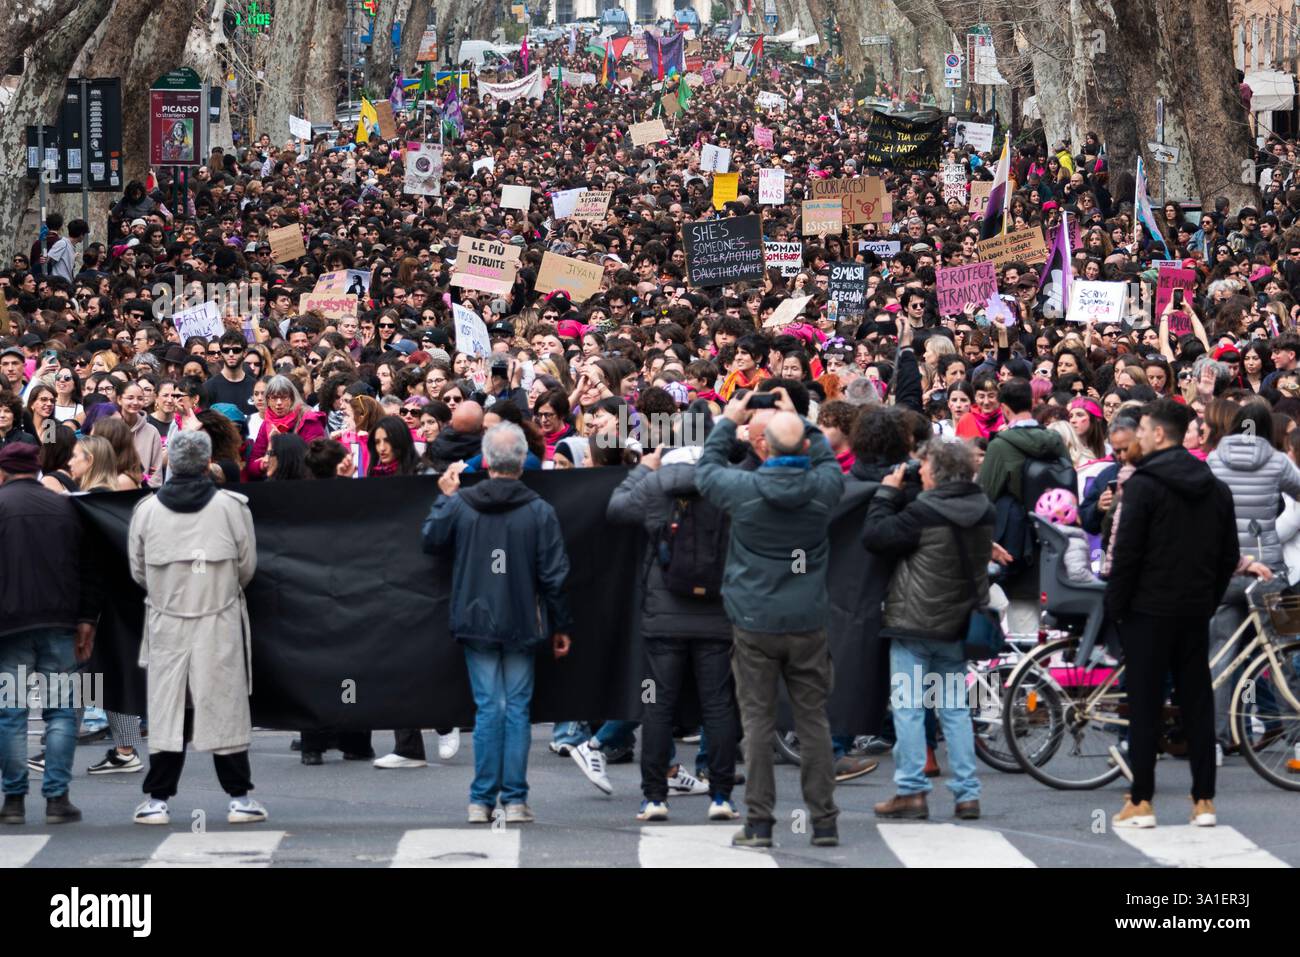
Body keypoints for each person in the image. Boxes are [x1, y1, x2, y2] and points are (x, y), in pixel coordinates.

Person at [696, 390, 846, 849]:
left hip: (754, 618)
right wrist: (798, 416)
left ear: (764, 447)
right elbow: (828, 459)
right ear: (802, 446)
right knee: (812, 721)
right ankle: (823, 820)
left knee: (757, 723)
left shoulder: (744, 491)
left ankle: (759, 822)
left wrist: (727, 420)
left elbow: (706, 471)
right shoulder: (823, 489)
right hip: (805, 619)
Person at [422, 423, 573, 824]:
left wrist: (444, 499)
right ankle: (515, 799)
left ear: (485, 461)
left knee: (489, 706)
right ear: (522, 460)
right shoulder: (539, 510)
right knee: (516, 707)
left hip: (476, 617)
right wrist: (561, 625)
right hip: (523, 617)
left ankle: (481, 799)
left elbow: (431, 541)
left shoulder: (462, 504)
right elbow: (555, 575)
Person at [1104, 399, 1243, 829]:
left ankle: (1141, 799)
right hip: (1194, 608)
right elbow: (1229, 555)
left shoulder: (1144, 486)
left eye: (1143, 430)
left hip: (1146, 609)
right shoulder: (1215, 486)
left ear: (1159, 434)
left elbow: (1126, 554)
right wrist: (1208, 597)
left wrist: (1117, 608)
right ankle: (1204, 800)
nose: (1138, 437)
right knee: (1196, 701)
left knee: (1145, 705)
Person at [605, 403, 740, 822]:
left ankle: (654, 797)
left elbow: (616, 509)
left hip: (663, 611)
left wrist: (644, 468)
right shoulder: (729, 484)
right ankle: (720, 795)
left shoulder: (658, 483)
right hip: (718, 609)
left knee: (657, 705)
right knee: (718, 705)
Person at [128, 431, 266, 826]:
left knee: (167, 710)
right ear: (208, 463)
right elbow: (247, 566)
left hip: (167, 620)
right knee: (225, 706)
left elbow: (138, 570)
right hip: (218, 617)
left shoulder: (147, 511)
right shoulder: (231, 507)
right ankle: (239, 797)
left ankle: (157, 799)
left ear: (171, 461)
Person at [864, 436, 994, 820]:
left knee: (908, 708)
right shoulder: (984, 509)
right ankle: (967, 794)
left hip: (914, 624)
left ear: (936, 472)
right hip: (957, 624)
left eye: (924, 467)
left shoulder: (924, 512)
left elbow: (876, 537)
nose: (919, 470)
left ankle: (911, 790)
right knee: (954, 710)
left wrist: (886, 495)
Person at [0, 442, 99, 825]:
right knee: (61, 711)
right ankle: (57, 798)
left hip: (10, 625)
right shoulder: (64, 508)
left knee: (11, 713)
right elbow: (89, 567)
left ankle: (14, 800)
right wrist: (87, 619)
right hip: (61, 621)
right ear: (37, 469)